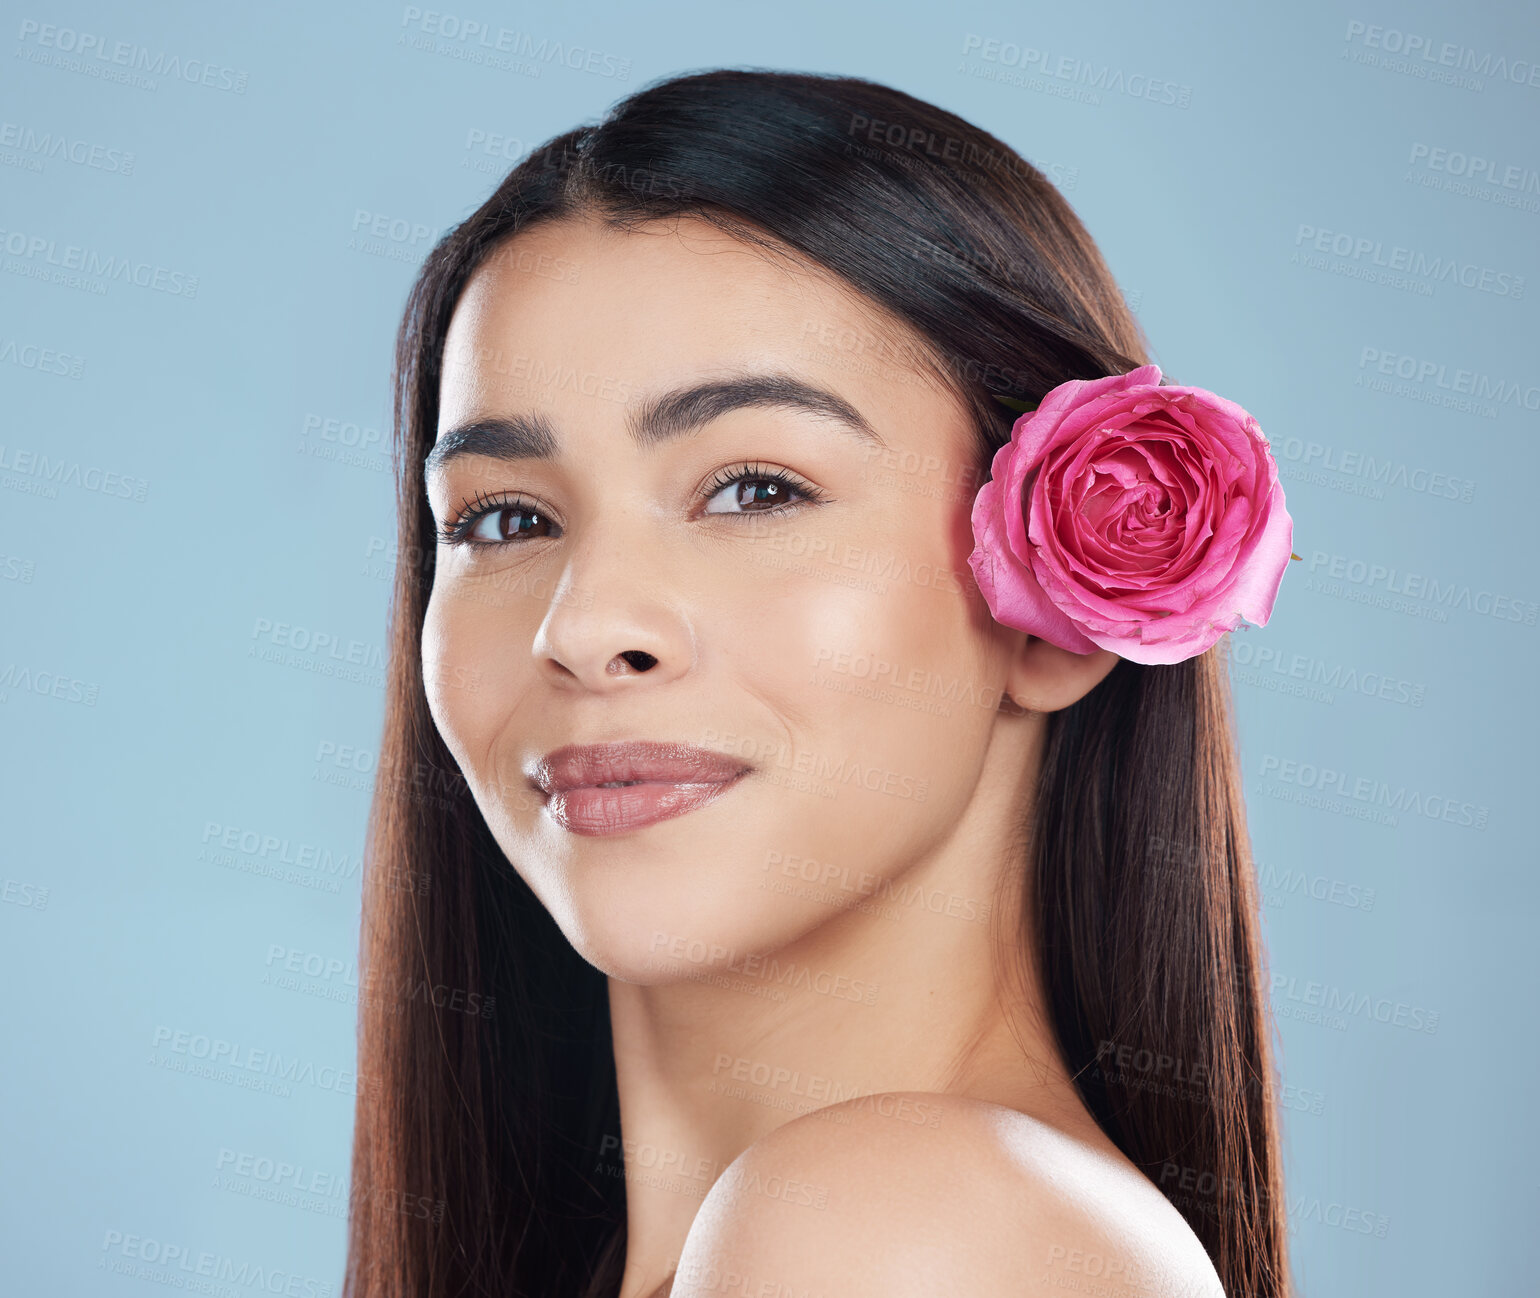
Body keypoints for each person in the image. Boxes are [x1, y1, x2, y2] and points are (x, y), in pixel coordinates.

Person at [345, 68, 1293, 1298]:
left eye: (754, 489)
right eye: (506, 517)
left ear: (1058, 614)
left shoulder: (903, 1231)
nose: (584, 628)